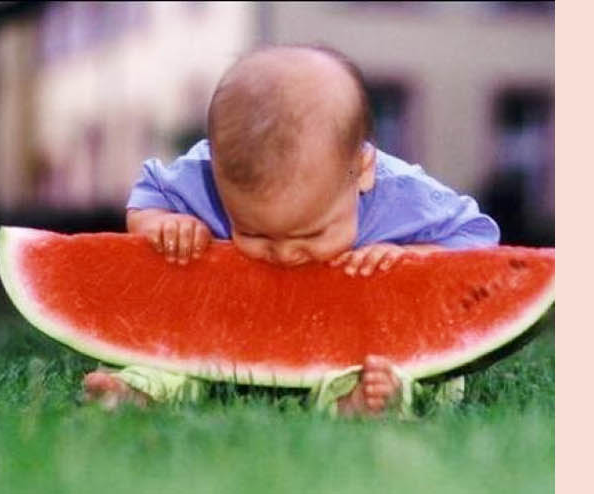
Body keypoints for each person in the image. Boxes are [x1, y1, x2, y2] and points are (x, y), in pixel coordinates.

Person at [81, 45, 500, 418]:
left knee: (417, 363)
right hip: (234, 327)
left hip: (363, 337)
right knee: (174, 348)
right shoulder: (204, 173)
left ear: (362, 171)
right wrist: (162, 222)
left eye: (312, 234)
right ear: (219, 175)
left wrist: (417, 255)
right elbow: (147, 196)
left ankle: (370, 396)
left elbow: (479, 239)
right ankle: (140, 387)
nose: (284, 255)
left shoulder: (405, 194)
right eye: (255, 234)